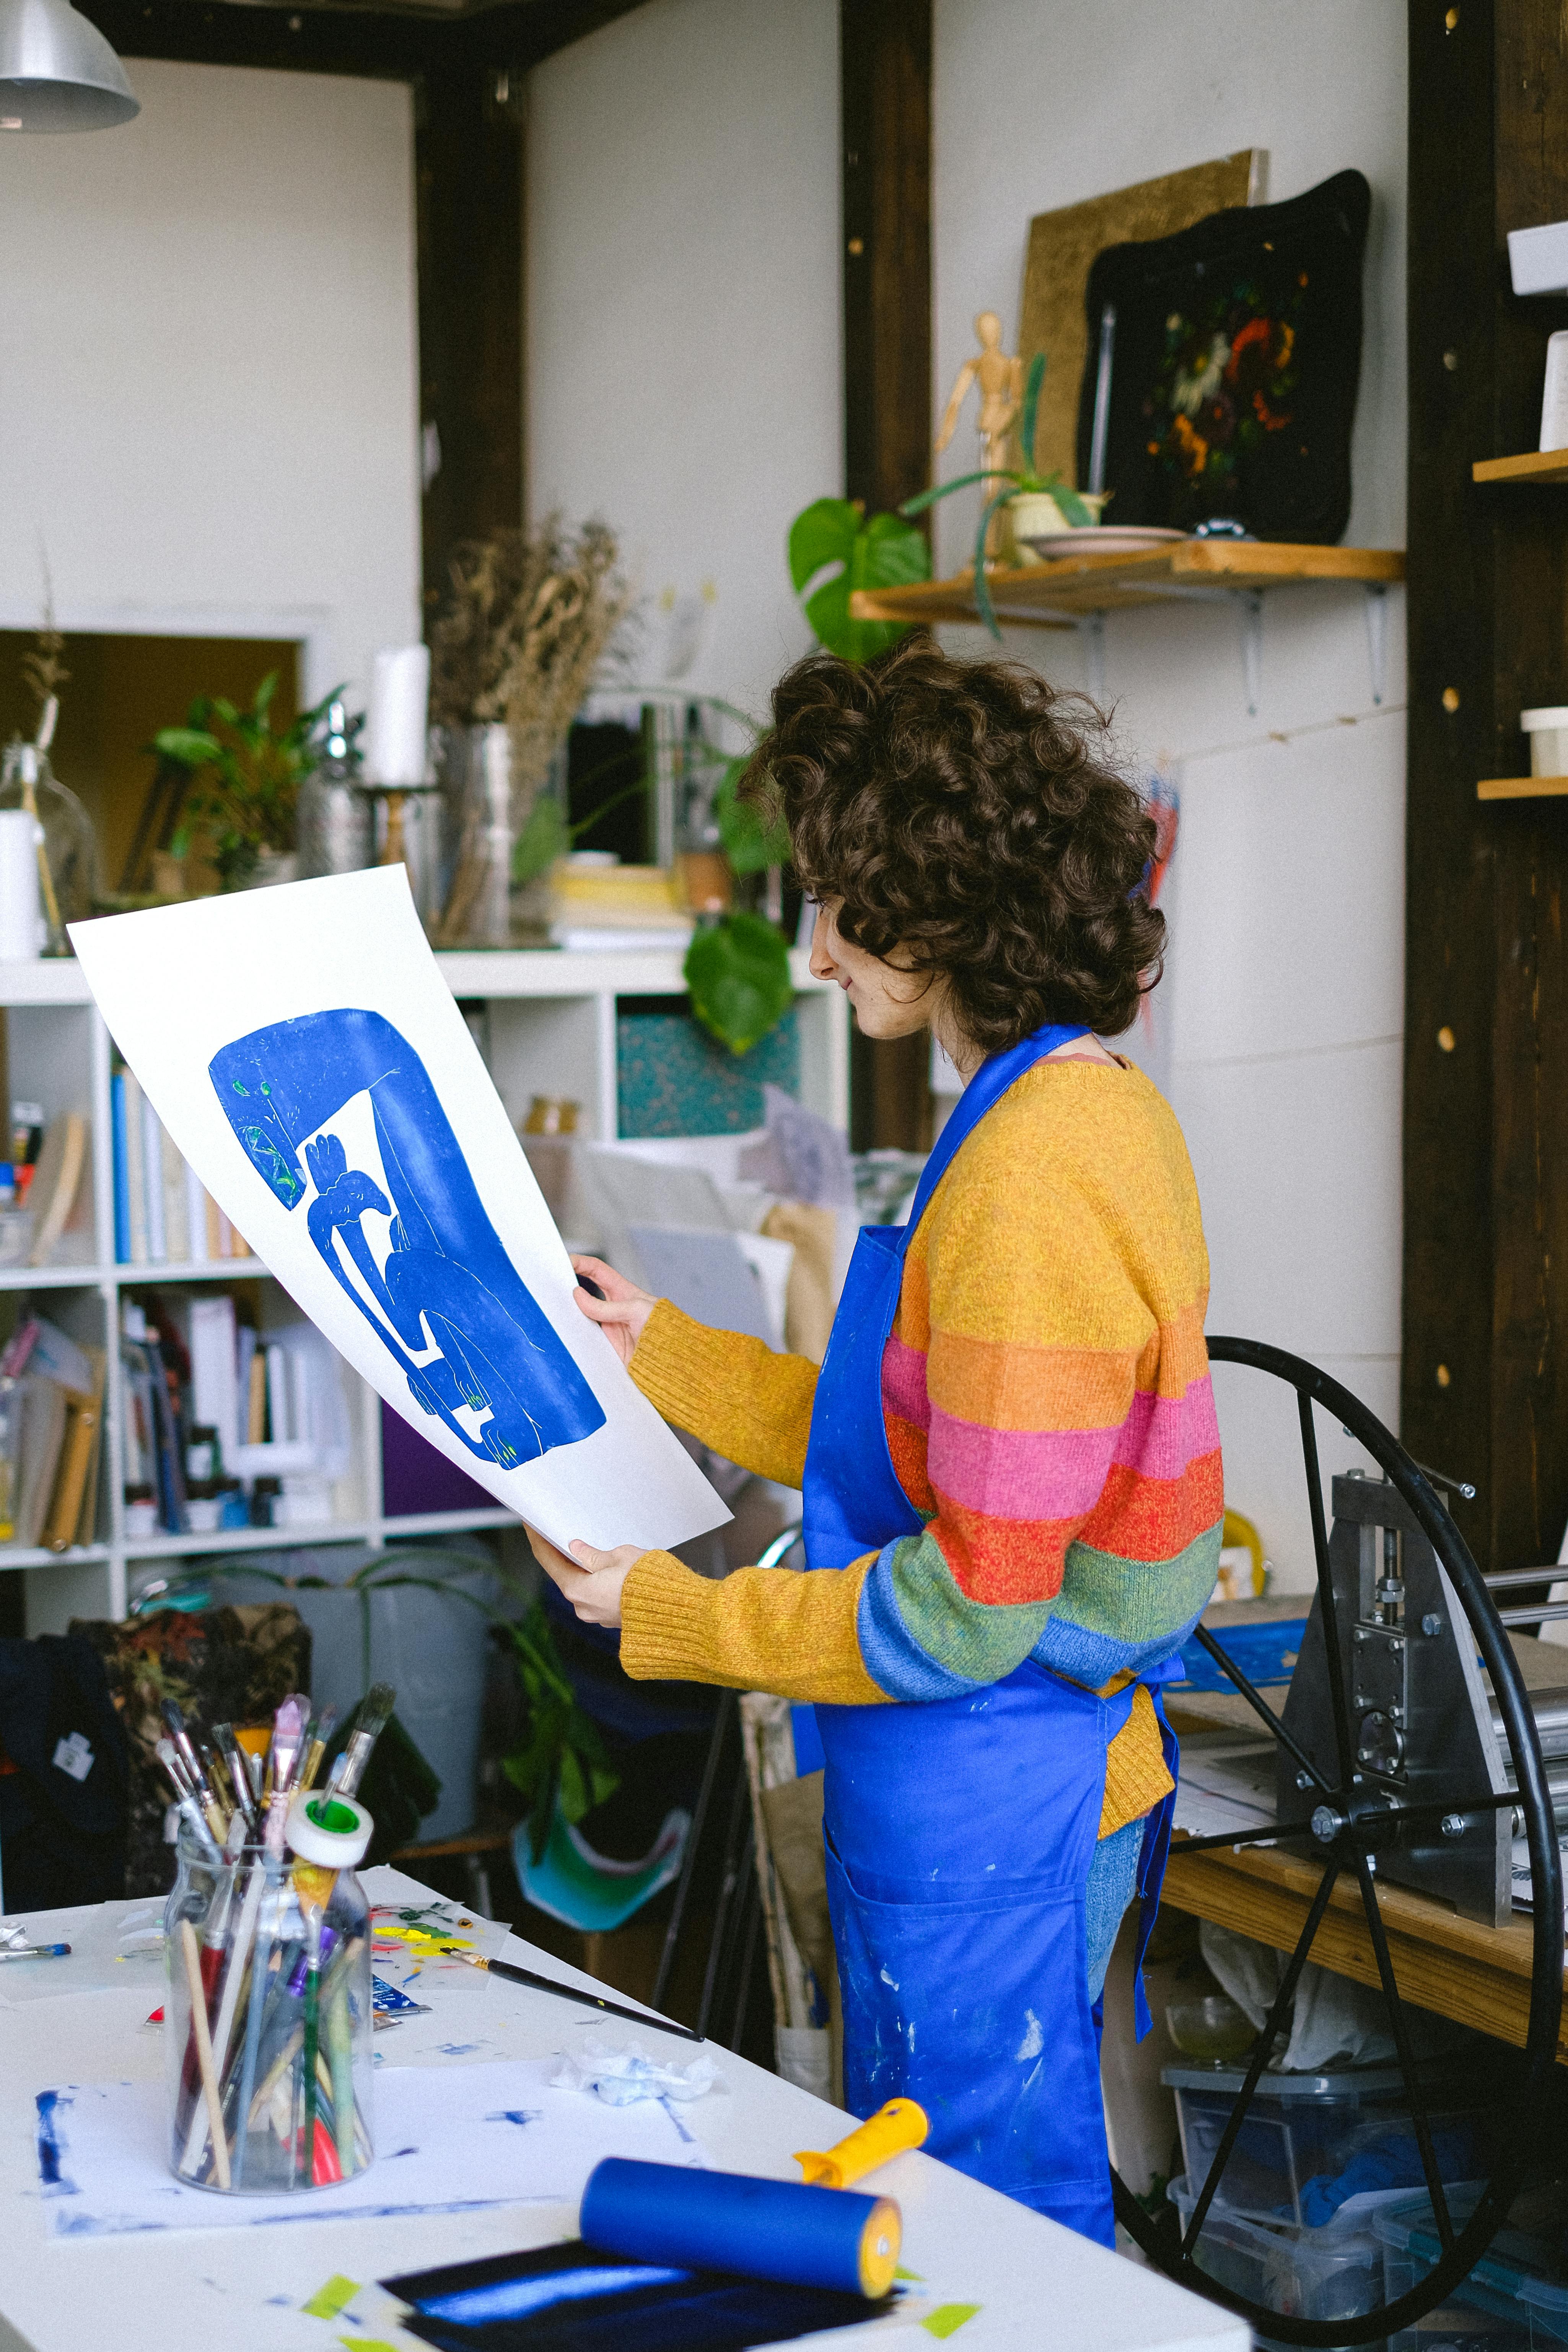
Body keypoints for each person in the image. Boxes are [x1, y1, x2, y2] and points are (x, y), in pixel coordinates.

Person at [527, 634, 1221, 2244]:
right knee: (932, 2214)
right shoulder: (1074, 1103)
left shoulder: (1025, 1186)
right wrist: (663, 1355)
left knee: (986, 2239)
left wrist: (671, 1614)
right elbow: (921, 1442)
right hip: (988, 1756)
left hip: (992, 1771)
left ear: (937, 905)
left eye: (838, 903)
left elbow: (968, 1599)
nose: (816, 949)